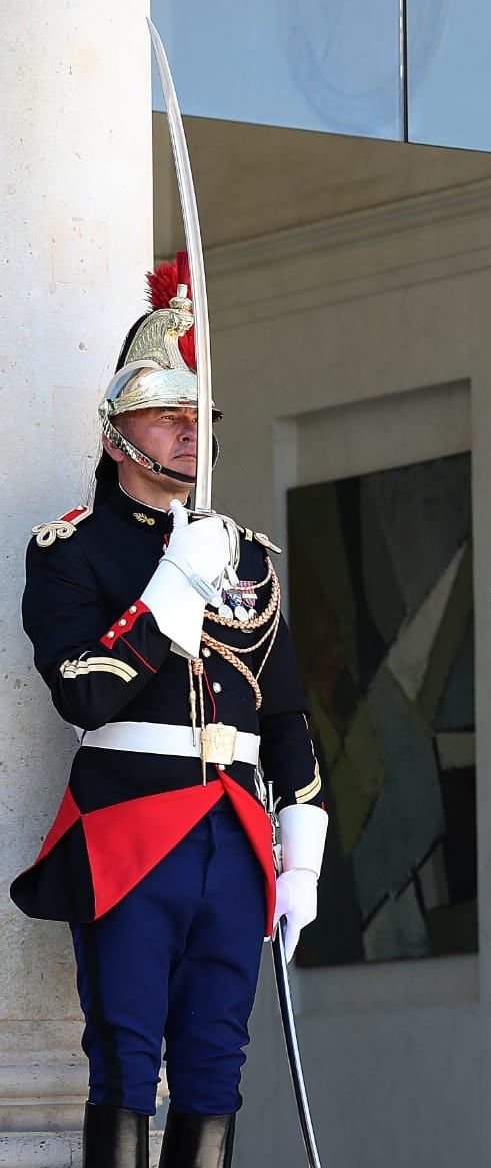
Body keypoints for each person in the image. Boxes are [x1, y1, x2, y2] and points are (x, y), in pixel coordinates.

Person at [12, 259, 327, 1168]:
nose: (191, 432)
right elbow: (83, 689)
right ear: (117, 433)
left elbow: (287, 717)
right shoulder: (71, 549)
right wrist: (170, 588)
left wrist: (302, 859)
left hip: (235, 832)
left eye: (200, 417)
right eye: (167, 414)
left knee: (215, 1069)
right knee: (124, 1059)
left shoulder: (248, 556)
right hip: (131, 825)